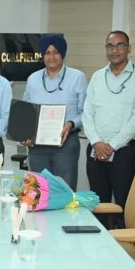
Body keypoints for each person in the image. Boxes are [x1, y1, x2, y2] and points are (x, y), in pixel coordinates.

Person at [82, 30, 135, 211]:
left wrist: (111, 146)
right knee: (97, 204)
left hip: (124, 152)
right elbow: (87, 112)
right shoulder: (97, 76)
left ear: (129, 48)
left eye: (120, 45)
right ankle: (100, 231)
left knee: (123, 205)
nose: (114, 50)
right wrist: (96, 142)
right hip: (95, 150)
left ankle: (122, 231)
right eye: (110, 46)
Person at [21, 33, 87, 189]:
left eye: (56, 52)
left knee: (64, 191)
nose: (51, 57)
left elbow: (86, 112)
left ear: (62, 54)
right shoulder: (33, 79)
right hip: (37, 146)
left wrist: (71, 123)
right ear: (42, 56)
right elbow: (26, 112)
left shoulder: (77, 77)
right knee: (38, 191)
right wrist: (25, 133)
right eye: (47, 53)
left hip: (66, 144)